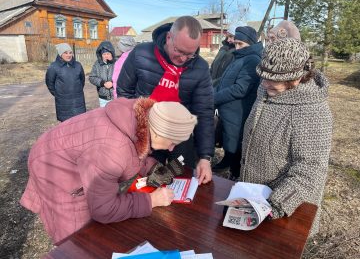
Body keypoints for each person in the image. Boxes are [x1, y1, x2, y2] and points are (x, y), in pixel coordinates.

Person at [20, 98, 198, 243]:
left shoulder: (140, 117)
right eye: (172, 141)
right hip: (53, 165)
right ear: (158, 132)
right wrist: (151, 200)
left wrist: (153, 169)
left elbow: (136, 148)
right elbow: (103, 209)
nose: (173, 148)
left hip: (72, 150)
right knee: (78, 236)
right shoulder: (112, 150)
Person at [240, 38, 333, 236]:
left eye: (272, 81)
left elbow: (311, 170)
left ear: (297, 78)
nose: (264, 84)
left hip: (285, 210)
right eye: (262, 77)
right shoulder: (268, 88)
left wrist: (275, 205)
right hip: (256, 197)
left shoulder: (312, 111)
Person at [116, 16, 214, 185]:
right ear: (169, 37)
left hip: (180, 138)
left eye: (190, 54)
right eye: (179, 51)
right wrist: (135, 129)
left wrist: (205, 157)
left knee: (182, 180)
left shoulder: (200, 68)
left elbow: (204, 112)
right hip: (146, 135)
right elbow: (124, 93)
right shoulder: (141, 54)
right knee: (146, 182)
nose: (183, 59)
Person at [213, 26, 263, 179]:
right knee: (229, 138)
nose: (237, 47)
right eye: (236, 44)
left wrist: (215, 98)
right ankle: (228, 161)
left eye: (241, 44)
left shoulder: (252, 59)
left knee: (235, 142)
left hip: (238, 111)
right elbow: (226, 79)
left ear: (251, 43)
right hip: (229, 110)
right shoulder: (239, 57)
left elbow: (240, 88)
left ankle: (235, 174)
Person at [45, 43, 86, 122]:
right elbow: (50, 83)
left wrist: (77, 91)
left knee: (79, 124)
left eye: (70, 53)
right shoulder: (54, 67)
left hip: (78, 101)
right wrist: (58, 93)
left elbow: (82, 81)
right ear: (60, 54)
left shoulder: (78, 65)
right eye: (66, 53)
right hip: (63, 102)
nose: (69, 55)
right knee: (66, 126)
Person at [89, 41, 116, 107]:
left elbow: (121, 76)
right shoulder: (97, 64)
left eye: (108, 53)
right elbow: (92, 77)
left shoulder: (116, 63)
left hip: (115, 96)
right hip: (103, 98)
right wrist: (102, 83)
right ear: (101, 55)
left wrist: (113, 83)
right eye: (104, 54)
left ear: (111, 53)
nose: (106, 56)